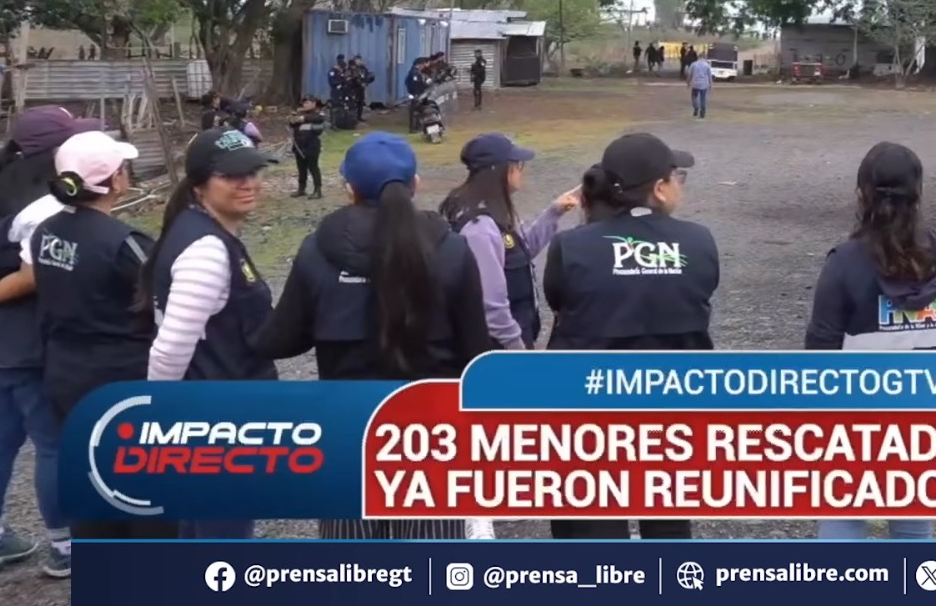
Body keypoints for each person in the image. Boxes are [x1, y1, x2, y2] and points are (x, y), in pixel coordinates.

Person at [251, 132, 490, 541]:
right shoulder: (451, 250)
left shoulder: (317, 250)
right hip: (431, 437)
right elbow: (475, 355)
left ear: (349, 189)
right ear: (415, 184)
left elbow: (281, 340)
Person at [542, 133, 716, 540]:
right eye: (677, 177)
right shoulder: (698, 241)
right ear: (660, 188)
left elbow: (559, 303)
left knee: (592, 521)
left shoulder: (572, 246)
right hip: (671, 406)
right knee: (668, 520)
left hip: (590, 409)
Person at [806, 142, 936, 540]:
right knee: (913, 526)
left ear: (861, 195)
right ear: (919, 195)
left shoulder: (844, 265)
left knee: (844, 520)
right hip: (929, 427)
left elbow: (818, 363)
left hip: (856, 431)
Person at [32, 132, 176, 545]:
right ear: (115, 180)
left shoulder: (45, 232)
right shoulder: (124, 243)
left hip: (64, 371)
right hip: (121, 378)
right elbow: (165, 306)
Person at [141, 127, 279, 540]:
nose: (248, 183)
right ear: (200, 186)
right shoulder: (206, 251)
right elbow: (169, 350)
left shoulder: (199, 229)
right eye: (232, 176)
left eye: (252, 172)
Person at [0, 107, 97, 575]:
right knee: (54, 444)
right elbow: (32, 275)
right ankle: (66, 546)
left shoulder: (1, 183)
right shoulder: (44, 203)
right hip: (32, 341)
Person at [440, 134, 579, 351]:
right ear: (499, 170)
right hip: (499, 348)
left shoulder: (495, 211)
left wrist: (554, 212)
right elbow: (491, 305)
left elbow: (520, 252)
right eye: (517, 164)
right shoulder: (480, 229)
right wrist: (517, 349)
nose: (521, 170)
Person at [287, 95, 326, 199]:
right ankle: (301, 189)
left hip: (311, 146)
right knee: (301, 169)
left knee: (313, 168)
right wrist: (293, 120)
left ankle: (317, 190)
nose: (305, 105)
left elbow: (320, 119)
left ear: (314, 103)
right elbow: (293, 124)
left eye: (307, 103)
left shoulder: (318, 113)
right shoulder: (300, 113)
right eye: (304, 103)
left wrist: (304, 119)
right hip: (299, 145)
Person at [687, 51, 712, 118]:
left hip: (695, 83)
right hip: (704, 84)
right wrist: (710, 84)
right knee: (703, 98)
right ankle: (702, 112)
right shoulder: (707, 65)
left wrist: (688, 82)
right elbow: (709, 76)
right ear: (704, 57)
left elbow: (689, 74)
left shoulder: (693, 64)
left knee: (694, 97)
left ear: (698, 57)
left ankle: (696, 107)